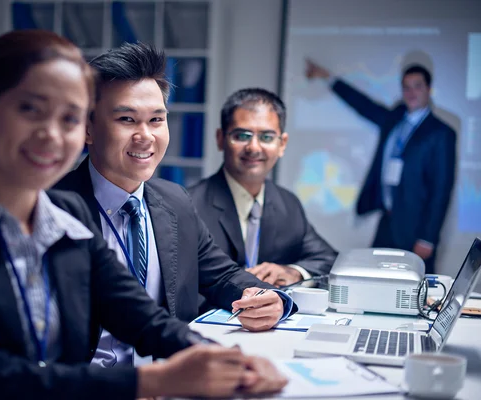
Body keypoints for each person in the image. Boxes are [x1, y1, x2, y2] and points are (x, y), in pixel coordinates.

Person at [0, 30, 288, 399]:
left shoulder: (63, 213)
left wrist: (232, 366)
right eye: (30, 110)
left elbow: (142, 318)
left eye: (69, 117)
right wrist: (150, 383)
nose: (52, 135)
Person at [54, 43, 297, 367]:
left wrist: (270, 298)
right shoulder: (51, 209)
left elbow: (222, 276)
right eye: (127, 119)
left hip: (172, 382)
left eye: (156, 119)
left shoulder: (175, 202)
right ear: (87, 128)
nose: (145, 136)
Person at [305, 60, 456, 273]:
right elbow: (364, 106)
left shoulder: (441, 134)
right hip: (388, 219)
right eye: (406, 86)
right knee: (376, 279)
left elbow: (441, 191)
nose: (411, 92)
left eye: (417, 86)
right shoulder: (394, 119)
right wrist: (328, 78)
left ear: (429, 89)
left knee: (414, 290)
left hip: (416, 227)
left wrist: (428, 238)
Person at [189, 88, 337, 290]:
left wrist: (292, 272)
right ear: (220, 139)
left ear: (282, 144)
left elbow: (330, 260)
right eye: (242, 135)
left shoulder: (288, 204)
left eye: (266, 137)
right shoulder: (190, 205)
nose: (254, 148)